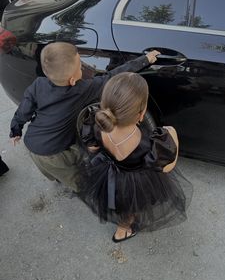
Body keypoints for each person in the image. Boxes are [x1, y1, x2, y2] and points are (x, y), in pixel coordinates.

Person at [9, 42, 159, 192]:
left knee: (48, 167)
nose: (82, 67)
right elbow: (112, 77)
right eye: (80, 66)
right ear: (72, 80)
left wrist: (15, 129)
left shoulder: (38, 84)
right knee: (74, 176)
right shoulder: (82, 89)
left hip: (31, 141)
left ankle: (54, 177)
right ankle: (83, 190)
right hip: (55, 152)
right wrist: (145, 60)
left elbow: (24, 110)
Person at [77, 72, 192, 243]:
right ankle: (123, 230)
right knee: (133, 206)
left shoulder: (95, 122)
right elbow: (166, 167)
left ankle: (121, 230)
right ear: (141, 113)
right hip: (136, 185)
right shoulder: (147, 143)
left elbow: (92, 148)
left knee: (117, 203)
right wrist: (172, 136)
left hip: (107, 175)